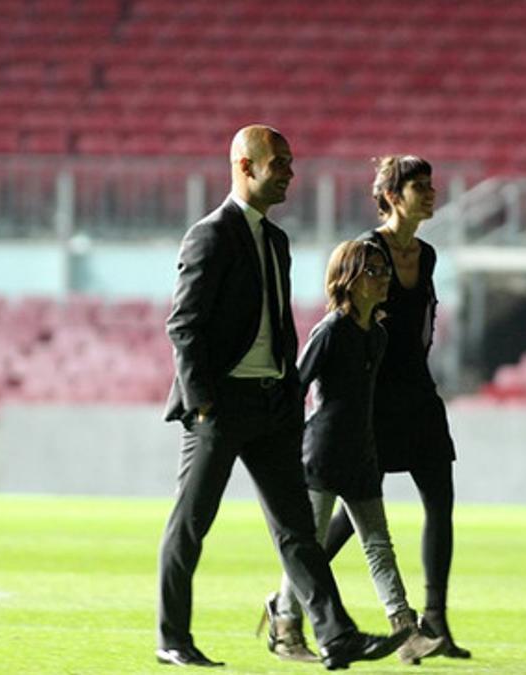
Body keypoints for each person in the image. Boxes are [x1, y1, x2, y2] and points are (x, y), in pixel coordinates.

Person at [156, 125, 408, 669]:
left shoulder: (276, 239)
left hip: (271, 406)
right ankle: (173, 637)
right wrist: (202, 404)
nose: (291, 172)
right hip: (219, 408)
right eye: (281, 164)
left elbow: (280, 327)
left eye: (291, 163)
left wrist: (289, 397)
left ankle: (337, 636)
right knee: (191, 524)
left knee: (298, 531)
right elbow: (184, 326)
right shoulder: (209, 235)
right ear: (245, 166)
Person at [259, 240, 445, 665]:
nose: (384, 280)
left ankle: (405, 631)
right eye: (374, 272)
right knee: (309, 546)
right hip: (321, 454)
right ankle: (285, 624)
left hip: (362, 455)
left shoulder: (377, 336)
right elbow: (297, 387)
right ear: (350, 278)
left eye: (385, 271)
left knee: (379, 545)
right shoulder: (329, 332)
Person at [319, 154, 471, 658]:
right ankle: (292, 595)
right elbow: (343, 317)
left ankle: (436, 623)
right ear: (390, 196)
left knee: (440, 504)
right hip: (374, 395)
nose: (430, 193)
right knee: (355, 510)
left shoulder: (426, 255)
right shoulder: (367, 249)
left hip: (418, 393)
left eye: (431, 184)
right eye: (419, 186)